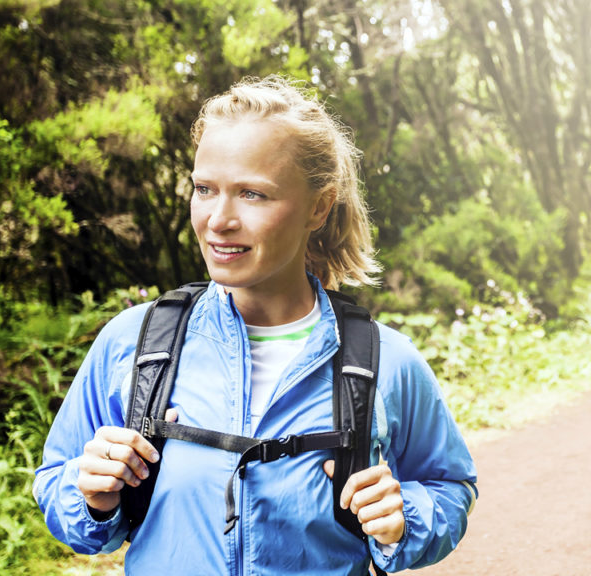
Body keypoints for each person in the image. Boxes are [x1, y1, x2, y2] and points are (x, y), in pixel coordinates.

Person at [33, 75, 477, 575]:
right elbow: (57, 486)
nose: (218, 220)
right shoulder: (134, 343)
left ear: (318, 206)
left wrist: (405, 518)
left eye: (252, 194)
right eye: (204, 189)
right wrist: (90, 493)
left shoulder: (385, 361)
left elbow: (450, 487)